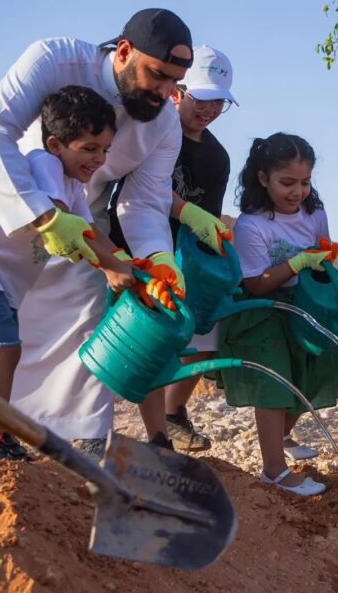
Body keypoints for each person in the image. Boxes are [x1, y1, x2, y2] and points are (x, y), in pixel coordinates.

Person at [0, 8, 229, 457]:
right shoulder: (53, 59)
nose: (166, 93)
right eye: (158, 76)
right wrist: (43, 216)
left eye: (174, 82)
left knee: (87, 311)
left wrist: (158, 260)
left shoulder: (164, 123)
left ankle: (77, 436)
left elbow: (144, 200)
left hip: (80, 217)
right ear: (124, 52)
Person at [0, 86, 135, 465]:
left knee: (6, 352)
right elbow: (62, 219)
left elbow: (91, 232)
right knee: (3, 351)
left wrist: (129, 265)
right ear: (56, 143)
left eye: (106, 151)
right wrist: (111, 266)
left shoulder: (74, 183)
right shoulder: (43, 163)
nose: (99, 159)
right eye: (90, 148)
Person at [112, 45, 238, 451]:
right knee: (153, 340)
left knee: (203, 338)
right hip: (137, 246)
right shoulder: (149, 131)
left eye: (218, 101)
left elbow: (209, 214)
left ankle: (174, 411)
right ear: (178, 91)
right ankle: (157, 436)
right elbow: (139, 191)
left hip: (185, 256)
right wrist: (183, 211)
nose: (209, 109)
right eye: (202, 99)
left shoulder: (217, 157)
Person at [217, 133, 338, 496]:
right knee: (274, 384)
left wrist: (321, 258)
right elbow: (256, 283)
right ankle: (274, 469)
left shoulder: (314, 213)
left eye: (305, 183)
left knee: (311, 376)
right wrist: (297, 262)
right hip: (260, 313)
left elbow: (322, 250)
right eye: (287, 183)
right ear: (263, 179)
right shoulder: (252, 225)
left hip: (301, 307)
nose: (298, 192)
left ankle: (282, 434)